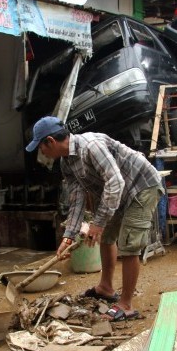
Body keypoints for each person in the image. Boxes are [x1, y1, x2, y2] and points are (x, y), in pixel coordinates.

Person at [25, 116, 163, 322]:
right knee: (107, 237)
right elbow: (77, 198)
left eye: (41, 147)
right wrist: (68, 236)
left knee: (129, 244)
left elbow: (115, 181)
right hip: (118, 193)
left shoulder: (90, 146)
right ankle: (105, 288)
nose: (41, 152)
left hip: (141, 186)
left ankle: (126, 305)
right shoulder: (66, 163)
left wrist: (97, 223)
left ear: (51, 142)